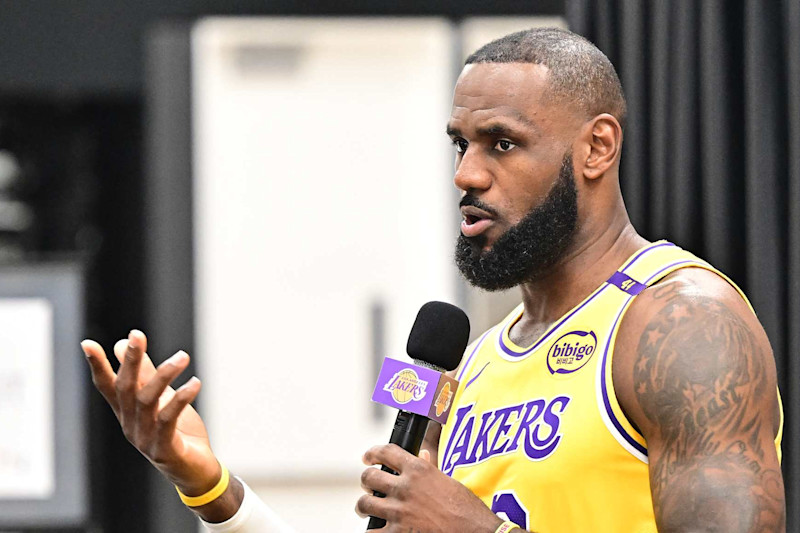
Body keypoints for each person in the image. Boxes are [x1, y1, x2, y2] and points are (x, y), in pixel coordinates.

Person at [81, 28, 785, 532]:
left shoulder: (684, 322)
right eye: (461, 143)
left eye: (502, 143)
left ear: (596, 146)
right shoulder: (460, 361)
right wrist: (208, 487)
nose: (467, 175)